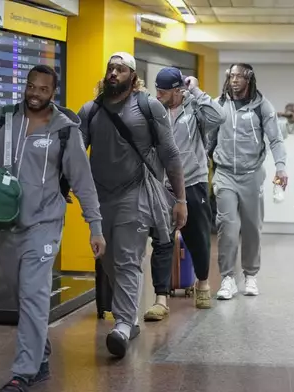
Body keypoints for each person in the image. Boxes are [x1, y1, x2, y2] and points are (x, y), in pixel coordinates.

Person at [0, 65, 106, 391]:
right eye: (31, 87)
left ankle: (24, 372)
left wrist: (95, 227)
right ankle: (40, 351)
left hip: (44, 224)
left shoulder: (65, 131)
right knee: (21, 293)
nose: (34, 93)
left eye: (42, 89)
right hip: (7, 224)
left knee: (34, 295)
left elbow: (83, 182)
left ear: (53, 93)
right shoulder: (3, 118)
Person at [77, 52, 186, 358]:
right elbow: (73, 155)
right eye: (110, 68)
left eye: (120, 69)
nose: (113, 73)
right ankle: (129, 320)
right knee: (108, 259)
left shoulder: (147, 106)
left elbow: (170, 154)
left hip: (134, 193)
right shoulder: (90, 110)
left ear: (132, 76)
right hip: (100, 197)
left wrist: (180, 200)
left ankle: (123, 324)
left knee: (127, 259)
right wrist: (62, 186)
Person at [143, 67, 225, 321]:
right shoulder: (154, 109)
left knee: (198, 239)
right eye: (157, 90)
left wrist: (197, 90)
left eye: (164, 91)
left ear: (178, 90)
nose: (159, 95)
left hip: (193, 182)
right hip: (163, 185)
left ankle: (202, 283)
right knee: (163, 240)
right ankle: (161, 298)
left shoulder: (195, 108)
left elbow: (219, 117)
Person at [209, 63, 287, 300]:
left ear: (249, 79)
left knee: (252, 227)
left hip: (252, 175)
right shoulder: (219, 104)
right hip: (224, 175)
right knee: (228, 228)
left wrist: (281, 167)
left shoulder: (262, 106)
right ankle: (227, 279)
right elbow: (207, 138)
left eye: (239, 77)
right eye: (231, 76)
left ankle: (250, 275)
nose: (234, 80)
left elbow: (275, 140)